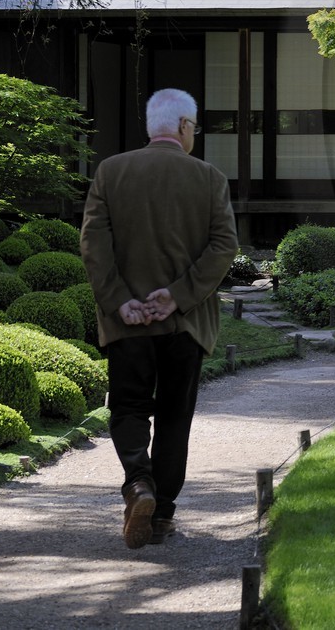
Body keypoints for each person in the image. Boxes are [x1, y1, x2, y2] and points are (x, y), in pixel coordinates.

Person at [81, 88, 238, 550]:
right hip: (184, 323)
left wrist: (120, 301)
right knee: (174, 418)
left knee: (128, 408)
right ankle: (163, 515)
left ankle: (139, 485)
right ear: (185, 127)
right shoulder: (209, 178)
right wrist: (177, 296)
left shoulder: (111, 171)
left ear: (153, 127)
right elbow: (223, 246)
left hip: (127, 323)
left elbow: (93, 244)